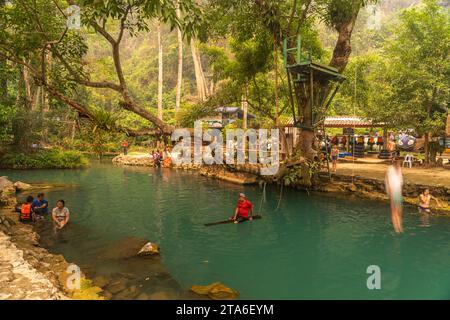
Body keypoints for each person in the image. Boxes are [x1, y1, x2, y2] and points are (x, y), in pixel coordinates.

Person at [385, 161, 404, 233]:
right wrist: (390, 192)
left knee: (399, 210)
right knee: (394, 211)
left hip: (398, 192)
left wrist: (400, 193)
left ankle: (399, 226)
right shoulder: (390, 169)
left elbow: (400, 182)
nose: (399, 164)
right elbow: (388, 181)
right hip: (393, 192)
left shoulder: (399, 170)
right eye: (398, 163)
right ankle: (397, 228)